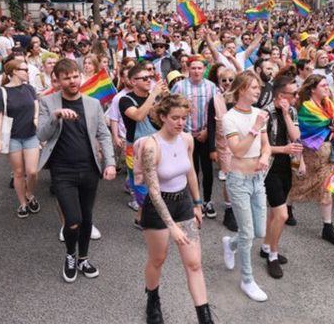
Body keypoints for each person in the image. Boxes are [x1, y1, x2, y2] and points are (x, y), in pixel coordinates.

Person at [37, 58, 116, 283]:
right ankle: (70, 255)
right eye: (66, 78)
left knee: (87, 217)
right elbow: (41, 135)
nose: (72, 81)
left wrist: (109, 162)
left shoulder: (92, 103)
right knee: (72, 219)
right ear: (58, 81)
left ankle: (83, 258)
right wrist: (56, 116)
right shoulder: (48, 102)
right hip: (62, 171)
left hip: (89, 168)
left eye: (75, 76)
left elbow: (103, 134)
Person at [140, 94, 213, 324]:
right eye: (175, 118)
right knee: (158, 259)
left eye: (184, 117)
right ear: (162, 117)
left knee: (194, 263)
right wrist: (172, 227)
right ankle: (152, 299)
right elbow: (152, 190)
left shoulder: (187, 140)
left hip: (182, 203)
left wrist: (197, 203)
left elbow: (190, 171)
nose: (180, 122)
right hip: (158, 206)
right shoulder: (151, 145)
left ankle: (205, 317)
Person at [220, 71, 271, 302]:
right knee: (248, 233)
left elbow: (266, 146)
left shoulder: (259, 114)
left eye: (258, 88)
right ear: (241, 90)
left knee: (259, 231)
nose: (258, 91)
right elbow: (237, 150)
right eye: (253, 88)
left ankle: (230, 244)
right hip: (238, 180)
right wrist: (255, 127)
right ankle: (247, 280)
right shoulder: (229, 117)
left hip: (257, 179)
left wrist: (264, 157)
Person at [290, 74, 334, 247]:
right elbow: (300, 136)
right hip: (308, 155)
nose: (326, 88)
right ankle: (287, 208)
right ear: (313, 89)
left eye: (327, 85)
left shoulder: (328, 104)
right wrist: (299, 161)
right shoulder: (305, 108)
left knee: (328, 190)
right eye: (323, 85)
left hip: (330, 155)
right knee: (296, 184)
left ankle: (327, 227)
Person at [261, 76, 302, 279]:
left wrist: (286, 114)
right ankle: (273, 256)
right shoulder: (264, 113)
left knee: (274, 213)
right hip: (269, 168)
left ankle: (267, 247)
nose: (296, 96)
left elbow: (296, 137)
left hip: (286, 166)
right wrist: (283, 149)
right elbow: (261, 147)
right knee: (282, 215)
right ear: (280, 95)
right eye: (293, 93)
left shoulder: (292, 111)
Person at [0, 60, 40, 218]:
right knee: (18, 173)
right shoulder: (1, 92)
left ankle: (30, 194)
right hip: (12, 138)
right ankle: (23, 204)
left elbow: (36, 105)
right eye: (24, 69)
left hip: (31, 135)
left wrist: (35, 118)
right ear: (13, 72)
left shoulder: (30, 88)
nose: (28, 72)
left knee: (32, 172)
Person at [120, 63, 167, 226]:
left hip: (157, 144)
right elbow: (139, 115)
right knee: (141, 185)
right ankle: (152, 220)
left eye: (150, 77)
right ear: (133, 81)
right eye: (145, 78)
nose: (149, 80)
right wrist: (153, 95)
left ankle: (140, 219)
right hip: (136, 148)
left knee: (158, 182)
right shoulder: (125, 100)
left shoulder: (155, 97)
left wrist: (166, 98)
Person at [172, 57, 218, 218]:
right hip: (185, 135)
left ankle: (208, 200)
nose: (197, 71)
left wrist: (207, 130)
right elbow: (172, 108)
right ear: (188, 68)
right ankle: (194, 200)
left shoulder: (212, 87)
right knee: (190, 170)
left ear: (204, 69)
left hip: (205, 135)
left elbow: (216, 112)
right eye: (193, 68)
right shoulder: (179, 86)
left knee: (207, 170)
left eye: (200, 68)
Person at [207, 67, 238, 231]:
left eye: (230, 80)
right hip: (224, 146)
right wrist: (211, 149)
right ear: (219, 82)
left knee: (241, 176)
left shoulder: (241, 97)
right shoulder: (215, 100)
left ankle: (239, 208)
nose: (227, 83)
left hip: (241, 145)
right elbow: (211, 125)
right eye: (224, 80)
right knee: (229, 178)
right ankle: (229, 210)